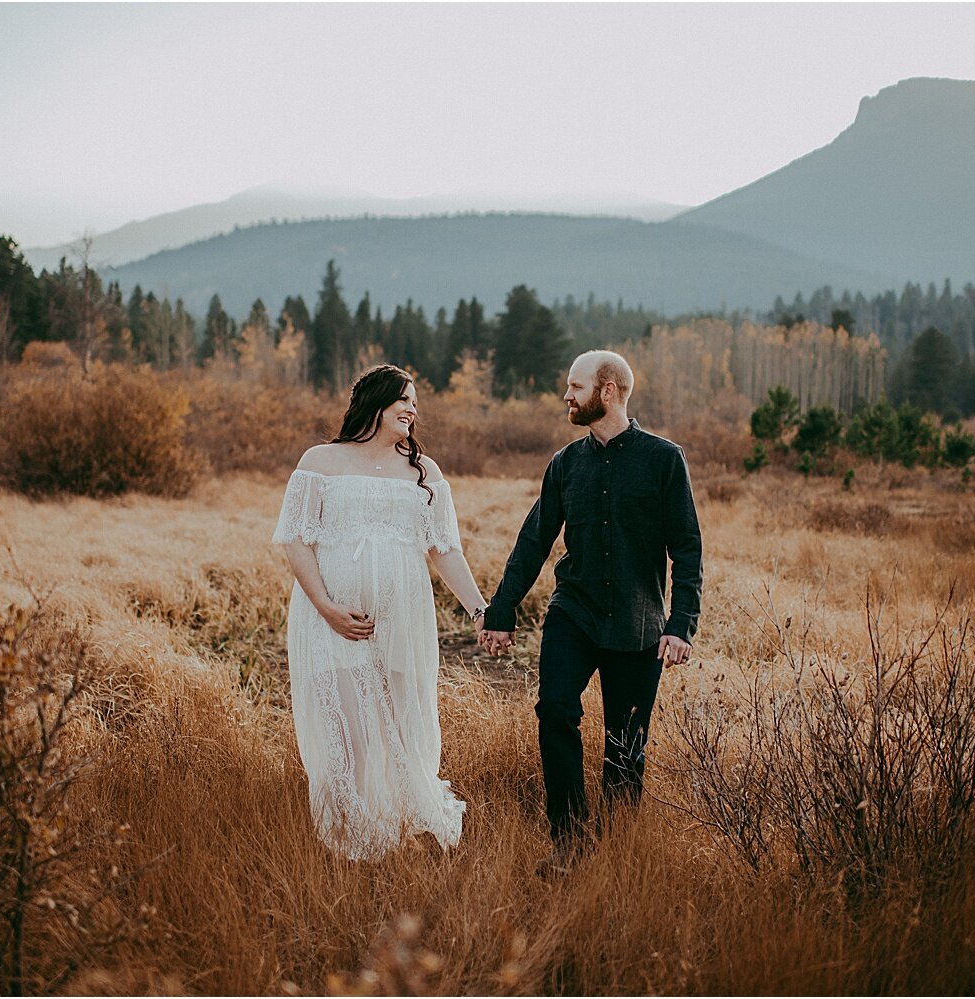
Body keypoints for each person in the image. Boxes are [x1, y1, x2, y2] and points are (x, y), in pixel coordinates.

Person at [478, 350, 702, 875]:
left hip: (639, 624)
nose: (566, 396)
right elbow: (534, 541)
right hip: (572, 614)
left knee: (625, 747)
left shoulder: (664, 460)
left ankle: (619, 851)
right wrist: (501, 610)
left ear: (606, 392)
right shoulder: (565, 464)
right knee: (555, 710)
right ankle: (570, 841)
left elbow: (687, 548)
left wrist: (680, 625)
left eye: (575, 387)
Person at [273, 364, 488, 860]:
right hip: (332, 622)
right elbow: (297, 541)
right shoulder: (321, 461)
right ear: (376, 402)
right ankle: (354, 841)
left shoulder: (423, 471)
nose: (413, 410)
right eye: (405, 400)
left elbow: (444, 550)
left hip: (400, 624)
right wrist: (326, 606)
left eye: (415, 402)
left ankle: (396, 832)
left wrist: (480, 610)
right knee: (348, 736)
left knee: (400, 726)